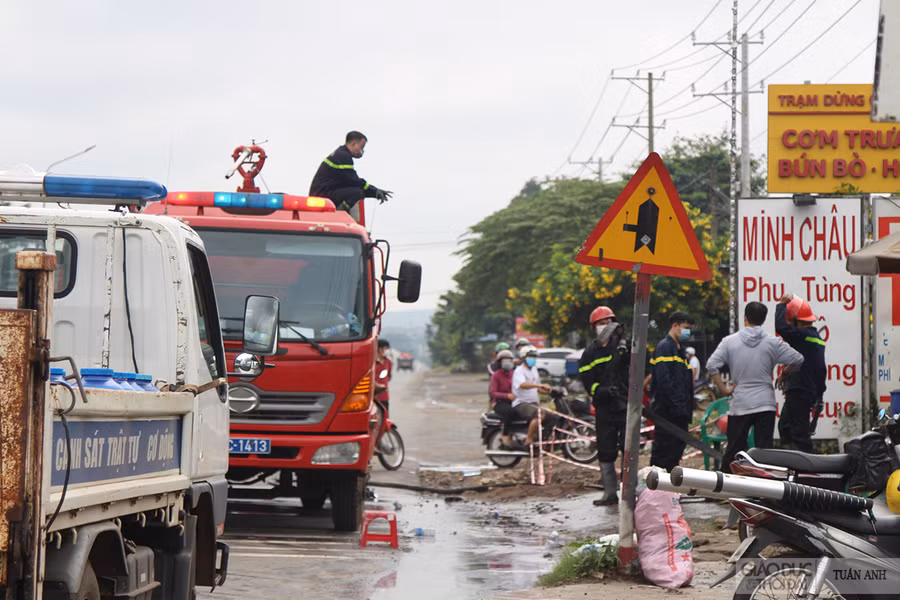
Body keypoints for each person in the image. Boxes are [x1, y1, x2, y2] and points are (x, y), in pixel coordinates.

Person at [706, 302, 804, 472]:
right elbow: (798, 359)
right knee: (763, 451)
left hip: (740, 403)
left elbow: (711, 365)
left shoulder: (730, 342)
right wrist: (784, 373)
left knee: (734, 449)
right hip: (765, 403)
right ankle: (761, 489)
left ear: (745, 318)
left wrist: (724, 389)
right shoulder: (772, 342)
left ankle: (728, 486)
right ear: (763, 319)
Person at [578, 306, 629, 506]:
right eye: (601, 323)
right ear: (594, 327)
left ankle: (629, 491)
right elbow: (587, 380)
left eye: (609, 322)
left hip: (625, 405)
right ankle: (609, 493)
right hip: (604, 407)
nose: (605, 326)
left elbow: (640, 367)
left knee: (628, 449)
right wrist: (601, 391)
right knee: (606, 449)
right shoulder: (590, 352)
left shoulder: (623, 345)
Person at [775, 294, 827, 452]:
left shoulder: (802, 336)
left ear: (797, 321)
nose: (790, 324)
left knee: (798, 434)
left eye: (791, 321)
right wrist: (819, 394)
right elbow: (815, 366)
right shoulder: (815, 338)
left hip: (800, 390)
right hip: (804, 390)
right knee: (786, 427)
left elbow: (782, 328)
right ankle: (793, 463)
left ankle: (805, 469)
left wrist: (781, 305)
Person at [649, 311, 696, 472]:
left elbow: (686, 383)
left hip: (680, 414)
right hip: (667, 413)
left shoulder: (680, 351)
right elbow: (665, 382)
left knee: (675, 453)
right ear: (675, 326)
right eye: (685, 328)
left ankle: (669, 492)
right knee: (663, 453)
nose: (687, 332)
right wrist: (677, 406)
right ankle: (656, 492)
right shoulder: (665, 347)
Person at [309, 131, 392, 212]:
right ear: (353, 144)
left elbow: (349, 182)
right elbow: (354, 180)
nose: (362, 151)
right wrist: (374, 191)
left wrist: (374, 192)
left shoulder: (339, 154)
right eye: (361, 147)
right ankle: (339, 214)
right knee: (357, 193)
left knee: (357, 191)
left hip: (322, 194)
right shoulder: (343, 156)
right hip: (322, 196)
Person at [512, 345, 551, 447]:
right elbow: (523, 385)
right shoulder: (519, 371)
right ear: (523, 357)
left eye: (534, 356)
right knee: (539, 414)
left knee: (552, 416)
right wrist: (540, 385)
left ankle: (542, 439)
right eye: (530, 356)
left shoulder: (534, 370)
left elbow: (537, 389)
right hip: (521, 403)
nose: (533, 358)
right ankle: (529, 439)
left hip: (533, 403)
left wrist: (549, 391)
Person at [489, 349, 518, 448]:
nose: (507, 362)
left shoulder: (514, 373)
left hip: (514, 401)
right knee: (509, 412)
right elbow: (493, 393)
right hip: (500, 403)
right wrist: (507, 396)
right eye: (505, 360)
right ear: (500, 362)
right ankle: (505, 435)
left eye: (509, 360)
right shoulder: (496, 376)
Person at [374, 339, 393, 416]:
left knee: (385, 416)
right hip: (373, 396)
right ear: (379, 349)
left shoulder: (388, 362)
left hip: (384, 396)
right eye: (386, 348)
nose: (387, 351)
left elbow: (389, 376)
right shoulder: (371, 361)